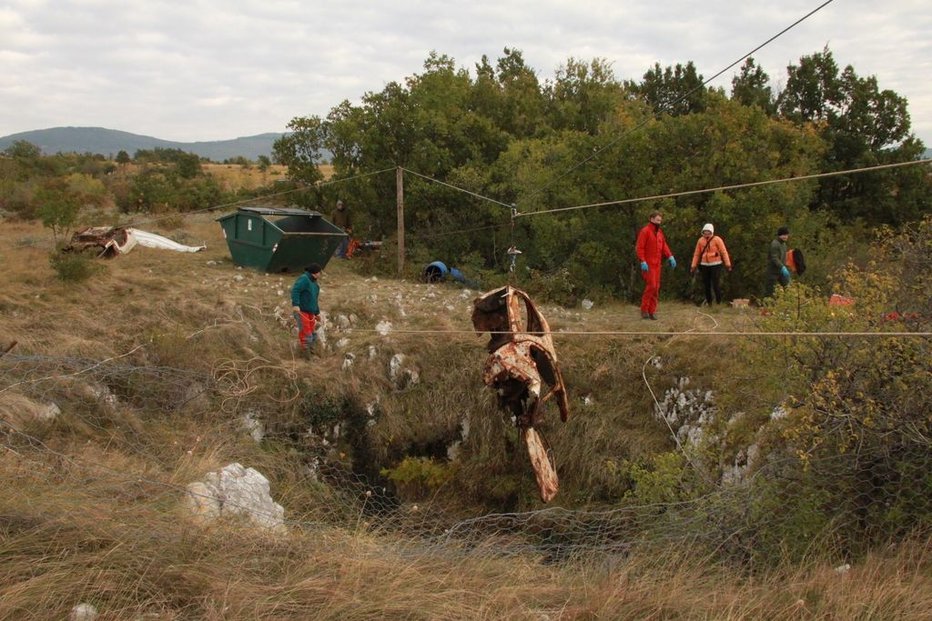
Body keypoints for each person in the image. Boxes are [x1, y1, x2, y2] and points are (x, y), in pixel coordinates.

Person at [635, 211, 676, 320]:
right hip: (648, 264)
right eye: (657, 220)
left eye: (660, 220)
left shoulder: (659, 232)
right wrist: (642, 261)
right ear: (651, 219)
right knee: (651, 286)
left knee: (656, 288)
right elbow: (639, 247)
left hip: (657, 264)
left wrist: (670, 256)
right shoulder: (645, 231)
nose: (659, 222)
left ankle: (651, 311)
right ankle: (644, 310)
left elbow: (664, 246)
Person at [690, 223, 732, 305]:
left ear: (711, 231)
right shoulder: (700, 241)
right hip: (704, 265)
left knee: (716, 283)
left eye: (708, 231)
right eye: (705, 231)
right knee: (706, 284)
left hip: (716, 264)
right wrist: (693, 265)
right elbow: (697, 254)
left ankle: (718, 302)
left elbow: (724, 252)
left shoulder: (717, 240)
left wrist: (728, 264)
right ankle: (709, 302)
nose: (706, 233)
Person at [291, 263, 321, 354]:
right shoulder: (304, 279)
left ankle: (312, 353)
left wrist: (317, 313)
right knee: (306, 334)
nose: (320, 274)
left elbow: (314, 300)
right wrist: (295, 304)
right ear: (315, 273)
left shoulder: (315, 285)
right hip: (302, 311)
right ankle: (306, 355)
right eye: (319, 272)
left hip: (310, 313)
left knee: (313, 334)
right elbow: (295, 290)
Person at [765, 226, 791, 297]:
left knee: (788, 288)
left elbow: (784, 257)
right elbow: (774, 258)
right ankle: (766, 306)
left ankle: (788, 305)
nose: (785, 237)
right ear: (780, 235)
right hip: (773, 271)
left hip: (781, 271)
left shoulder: (784, 244)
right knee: (770, 291)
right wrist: (782, 267)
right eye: (783, 235)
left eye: (786, 235)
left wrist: (786, 267)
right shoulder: (775, 244)